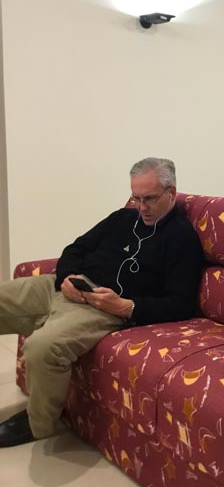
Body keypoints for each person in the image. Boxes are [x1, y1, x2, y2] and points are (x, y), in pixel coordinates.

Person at [0, 157, 204, 447]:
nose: (142, 207)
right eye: (136, 198)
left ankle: (37, 423)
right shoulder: (122, 218)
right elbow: (75, 248)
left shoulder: (182, 239)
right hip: (65, 287)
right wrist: (66, 277)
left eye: (149, 199)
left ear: (171, 192)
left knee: (41, 348)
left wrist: (126, 307)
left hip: (101, 309)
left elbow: (180, 303)